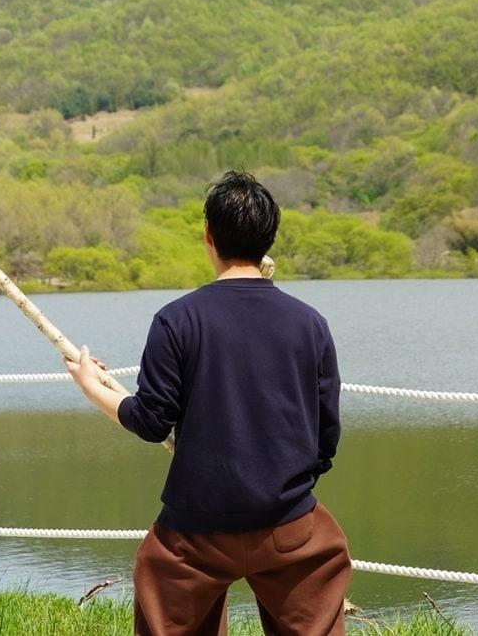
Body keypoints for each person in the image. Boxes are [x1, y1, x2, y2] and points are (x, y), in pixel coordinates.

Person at [65, 170, 351, 635]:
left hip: (194, 533)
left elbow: (152, 421)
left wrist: (91, 385)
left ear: (209, 237)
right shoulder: (309, 324)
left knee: (161, 589)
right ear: (268, 240)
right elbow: (326, 435)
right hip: (288, 527)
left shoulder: (177, 320)